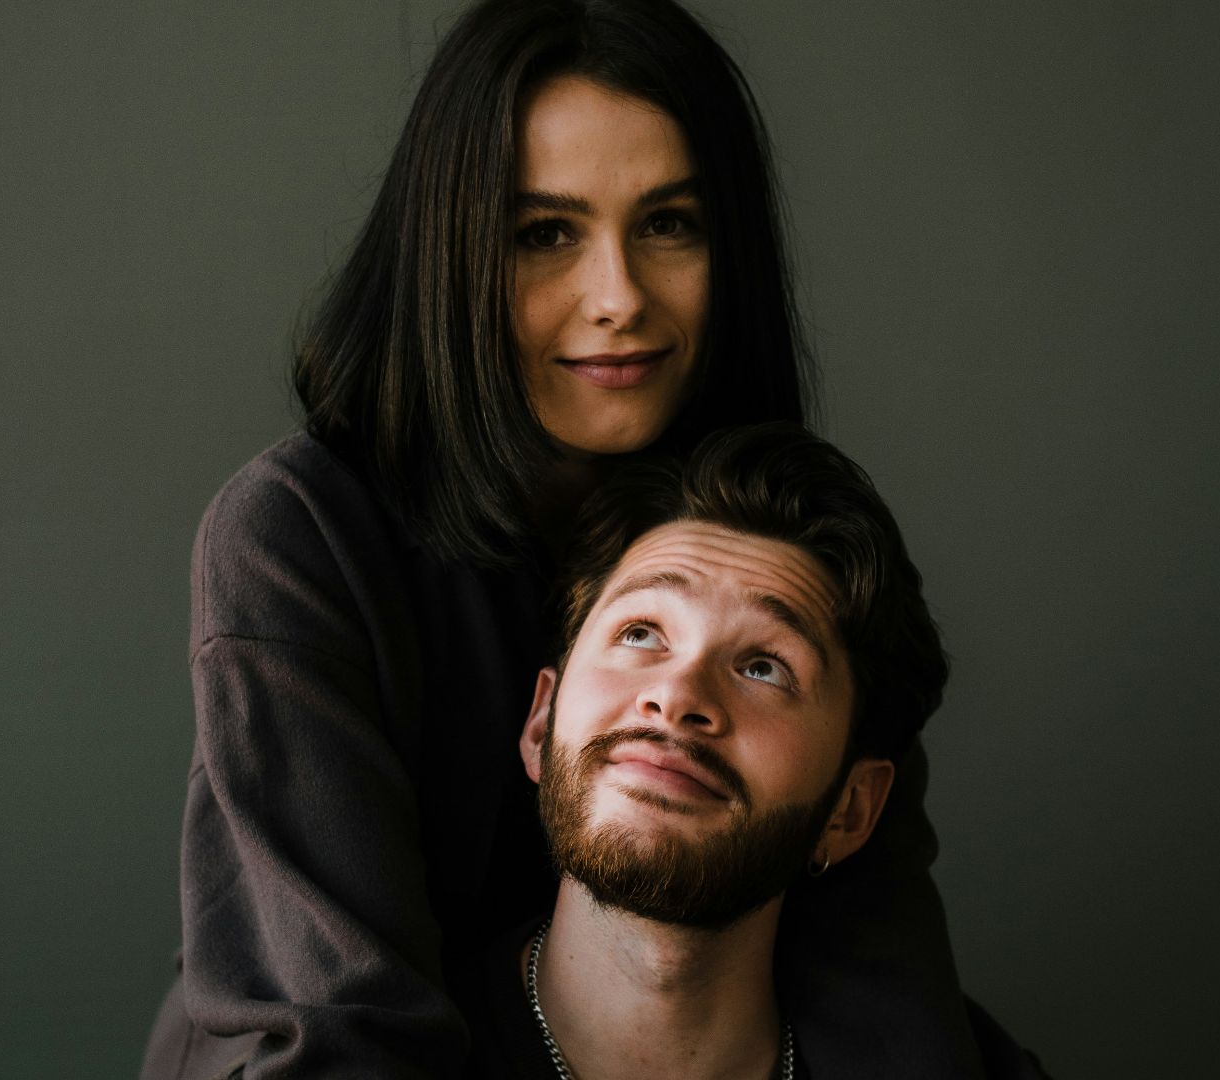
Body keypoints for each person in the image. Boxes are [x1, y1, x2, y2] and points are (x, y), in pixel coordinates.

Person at [139, 2, 982, 1077]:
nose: (618, 298)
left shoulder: (775, 539)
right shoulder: (301, 537)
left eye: (670, 223)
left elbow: (877, 966)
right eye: (545, 234)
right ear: (454, 254)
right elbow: (339, 1019)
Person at [462, 424, 1048, 1079]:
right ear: (541, 722)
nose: (677, 694)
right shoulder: (380, 1049)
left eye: (764, 667)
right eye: (639, 632)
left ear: (850, 810)